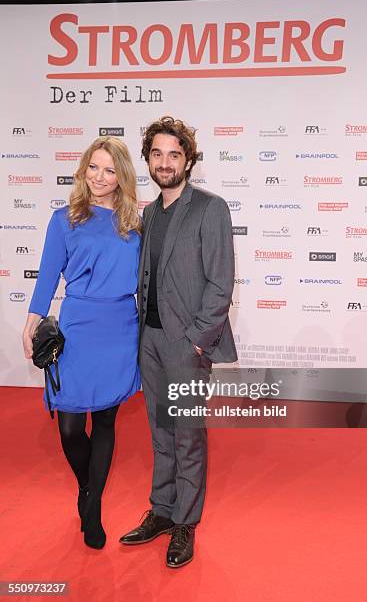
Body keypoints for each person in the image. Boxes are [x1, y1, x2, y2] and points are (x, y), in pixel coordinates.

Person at [119, 116, 237, 567]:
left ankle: (186, 522)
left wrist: (195, 342)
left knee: (187, 436)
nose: (164, 162)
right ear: (148, 159)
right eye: (156, 154)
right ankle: (163, 510)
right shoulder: (149, 213)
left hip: (186, 344)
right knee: (159, 433)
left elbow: (220, 284)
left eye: (173, 154)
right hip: (148, 339)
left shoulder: (211, 208)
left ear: (188, 160)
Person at [22, 136, 142, 550]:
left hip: (120, 327)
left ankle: (92, 509)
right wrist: (32, 321)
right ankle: (87, 488)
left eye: (109, 170)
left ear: (122, 176)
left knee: (105, 420)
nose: (99, 177)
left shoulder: (135, 223)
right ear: (83, 169)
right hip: (78, 324)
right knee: (71, 425)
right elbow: (47, 274)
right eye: (94, 167)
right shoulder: (64, 219)